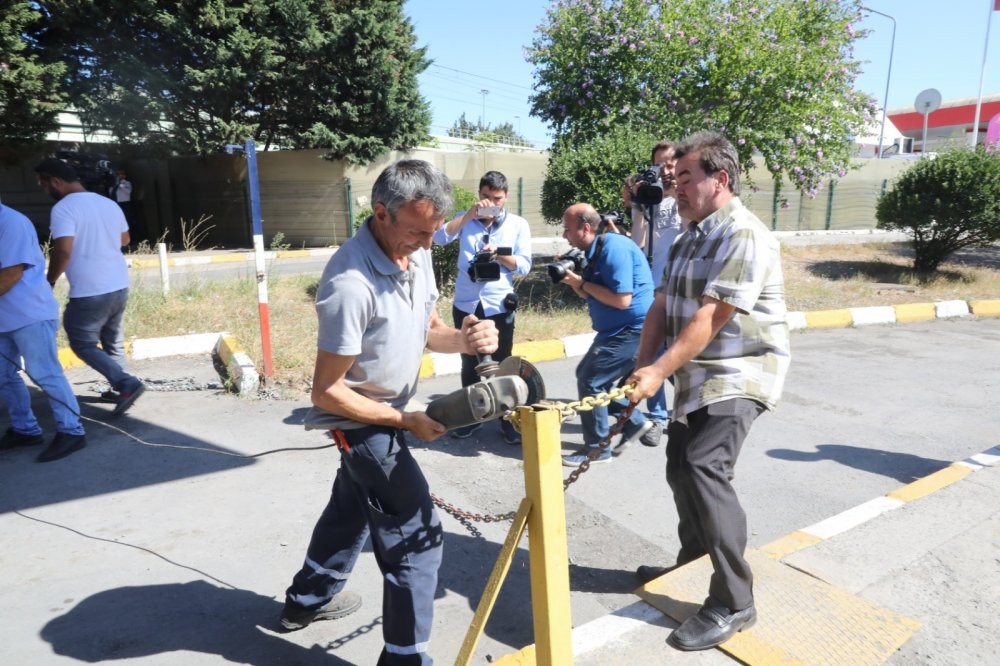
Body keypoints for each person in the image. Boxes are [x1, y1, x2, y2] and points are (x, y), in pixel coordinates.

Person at [279, 160, 498, 665]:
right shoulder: (349, 285)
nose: (427, 243)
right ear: (381, 212)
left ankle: (305, 601)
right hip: (361, 422)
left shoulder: (414, 253)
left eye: (432, 231)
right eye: (418, 231)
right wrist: (404, 422)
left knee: (351, 509)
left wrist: (463, 339)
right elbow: (327, 393)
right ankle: (404, 660)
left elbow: (429, 328)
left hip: (389, 413)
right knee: (417, 538)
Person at [627, 132, 791, 652]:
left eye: (685, 179)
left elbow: (712, 316)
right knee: (680, 466)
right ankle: (693, 562)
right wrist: (643, 369)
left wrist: (657, 372)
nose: (676, 190)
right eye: (673, 181)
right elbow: (659, 307)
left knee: (703, 466)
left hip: (741, 371)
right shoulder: (686, 237)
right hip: (697, 375)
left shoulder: (744, 234)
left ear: (720, 179)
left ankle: (734, 601)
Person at [34, 158, 145, 416]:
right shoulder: (107, 203)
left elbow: (62, 251)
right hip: (118, 285)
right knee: (113, 341)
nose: (44, 189)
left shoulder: (64, 209)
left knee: (81, 342)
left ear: (56, 181)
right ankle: (123, 390)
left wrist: (49, 281)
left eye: (44, 184)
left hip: (90, 291)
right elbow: (125, 239)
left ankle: (126, 383)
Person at [432, 170, 532, 443]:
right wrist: (469, 216)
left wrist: (499, 254)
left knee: (503, 361)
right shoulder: (468, 219)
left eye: (497, 198)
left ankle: (506, 418)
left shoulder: (518, 224)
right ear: (479, 195)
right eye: (486, 197)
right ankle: (471, 416)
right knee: (468, 361)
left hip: (499, 304)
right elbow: (439, 237)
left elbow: (524, 265)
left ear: (506, 197)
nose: (491, 203)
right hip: (468, 303)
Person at [558, 203, 660, 466]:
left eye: (568, 229)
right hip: (619, 330)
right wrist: (574, 282)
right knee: (594, 380)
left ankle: (597, 449)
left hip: (631, 329)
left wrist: (581, 283)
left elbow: (622, 300)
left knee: (591, 381)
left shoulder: (613, 249)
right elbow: (590, 291)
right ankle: (636, 423)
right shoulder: (596, 250)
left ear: (586, 228)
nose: (564, 235)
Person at [0, 199, 88, 462]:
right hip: (4, 319)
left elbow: (11, 274)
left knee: (44, 373)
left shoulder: (11, 222)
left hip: (30, 315)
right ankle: (25, 429)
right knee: (4, 375)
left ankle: (72, 431)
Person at [624, 140, 683, 434]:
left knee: (682, 353)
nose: (665, 170)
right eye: (658, 165)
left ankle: (688, 407)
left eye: (670, 163)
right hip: (655, 287)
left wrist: (674, 193)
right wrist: (638, 206)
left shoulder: (686, 196)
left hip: (683, 288)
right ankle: (659, 417)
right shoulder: (651, 198)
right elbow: (639, 244)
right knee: (653, 351)